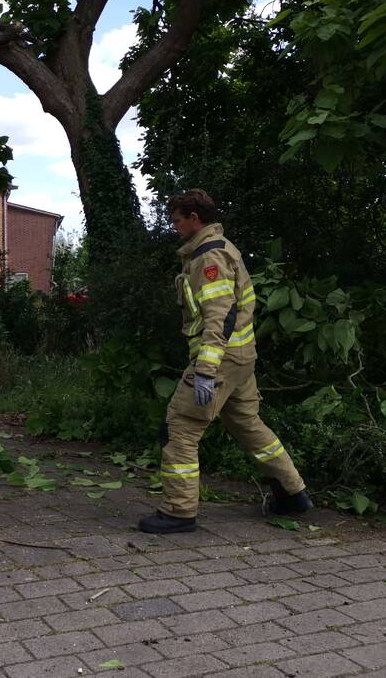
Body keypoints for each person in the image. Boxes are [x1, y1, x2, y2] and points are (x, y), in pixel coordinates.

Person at [139, 190, 312, 534]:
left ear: (194, 218)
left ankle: (179, 511)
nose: (174, 227)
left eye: (177, 220)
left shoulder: (209, 259)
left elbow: (220, 317)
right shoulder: (222, 249)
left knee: (180, 429)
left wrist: (205, 370)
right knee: (249, 426)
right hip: (241, 359)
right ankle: (293, 493)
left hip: (219, 359)